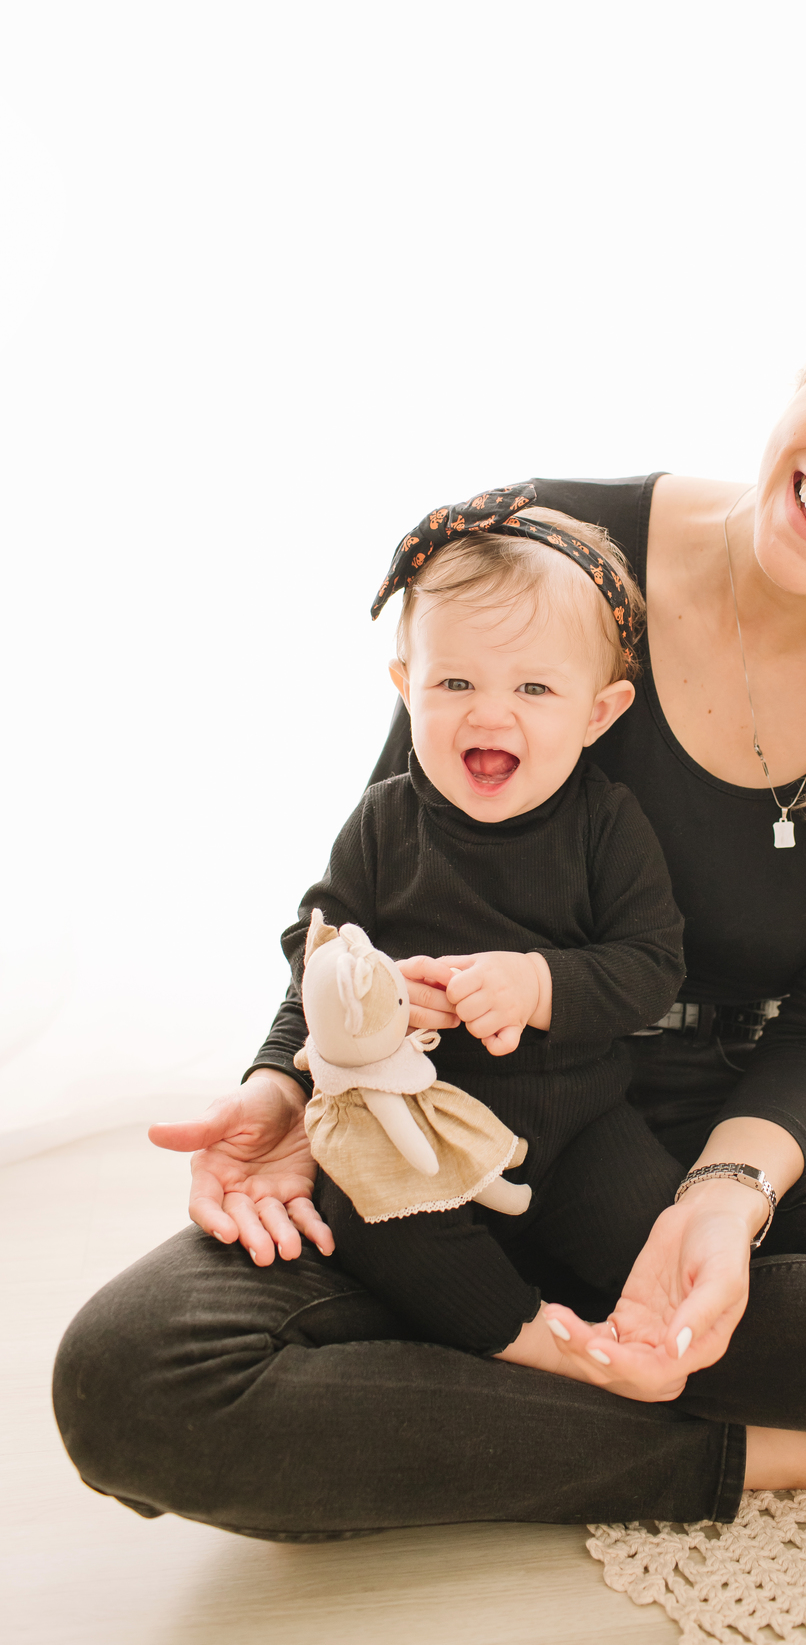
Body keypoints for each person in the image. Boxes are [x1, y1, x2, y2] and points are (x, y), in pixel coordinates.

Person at [54, 245, 806, 1539]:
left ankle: (482, 1383)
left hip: (699, 1135)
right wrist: (288, 1082)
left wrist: (724, 1202)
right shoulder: (543, 552)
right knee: (135, 1382)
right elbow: (382, 881)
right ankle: (761, 1452)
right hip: (442, 1123)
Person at [280, 501, 689, 1357]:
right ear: (407, 688)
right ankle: (527, 1340)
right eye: (456, 685)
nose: (491, 716)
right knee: (363, 1209)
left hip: (578, 1128)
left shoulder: (606, 824)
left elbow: (652, 964)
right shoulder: (385, 820)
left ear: (599, 713)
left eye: (534, 689)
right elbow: (314, 942)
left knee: (661, 1238)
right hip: (417, 1122)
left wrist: (538, 985)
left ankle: (633, 1345)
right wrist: (376, 988)